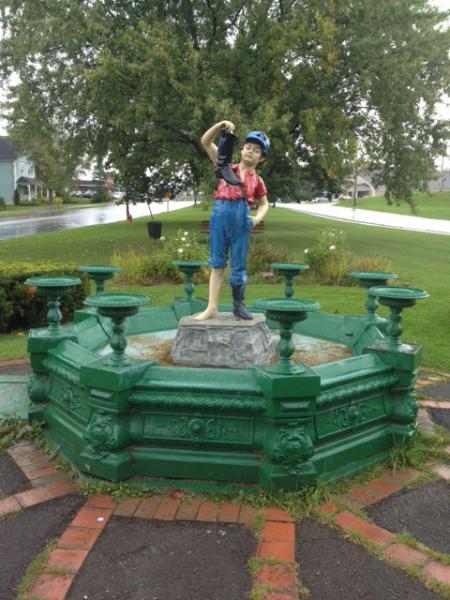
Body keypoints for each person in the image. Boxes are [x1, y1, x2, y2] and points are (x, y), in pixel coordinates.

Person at [195, 120, 269, 321]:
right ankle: (211, 307)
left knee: (238, 264)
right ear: (241, 149)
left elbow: (264, 204)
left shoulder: (258, 181)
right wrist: (220, 126)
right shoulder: (226, 165)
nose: (250, 152)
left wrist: (256, 219)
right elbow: (205, 142)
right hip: (220, 217)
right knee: (217, 263)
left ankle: (239, 305)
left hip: (240, 221)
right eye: (247, 147)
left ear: (261, 158)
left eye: (256, 150)